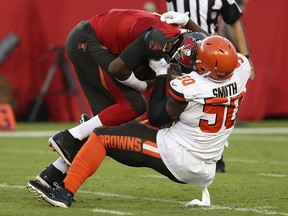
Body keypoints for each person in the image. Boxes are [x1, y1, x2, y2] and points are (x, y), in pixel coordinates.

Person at [27, 35, 251, 208]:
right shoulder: (240, 69)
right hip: (205, 158)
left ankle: (64, 192)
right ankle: (54, 174)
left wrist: (163, 73)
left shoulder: (192, 87)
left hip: (180, 157)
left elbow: (157, 116)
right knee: (122, 130)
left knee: (102, 137)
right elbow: (223, 54)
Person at [33, 8, 209, 191]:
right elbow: (117, 69)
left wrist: (187, 20)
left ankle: (52, 174)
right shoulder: (158, 39)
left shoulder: (187, 37)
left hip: (97, 42)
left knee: (104, 128)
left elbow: (211, 43)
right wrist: (142, 85)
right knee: (134, 105)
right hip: (88, 42)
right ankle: (69, 137)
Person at [163, 1, 254, 172]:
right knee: (178, 110)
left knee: (214, 107)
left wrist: (246, 55)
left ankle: (214, 156)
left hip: (211, 60)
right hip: (179, 56)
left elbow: (234, 20)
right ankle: (180, 155)